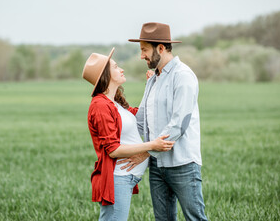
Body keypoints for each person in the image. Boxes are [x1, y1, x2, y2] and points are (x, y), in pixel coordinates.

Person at [119, 22, 208, 220]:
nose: (141, 55)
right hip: (157, 166)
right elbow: (141, 121)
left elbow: (179, 125)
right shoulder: (153, 79)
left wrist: (145, 151)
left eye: (144, 50)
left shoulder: (183, 76)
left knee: (196, 218)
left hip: (183, 164)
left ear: (160, 48)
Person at [82, 47, 175, 221]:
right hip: (118, 177)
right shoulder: (100, 105)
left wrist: (151, 85)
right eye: (116, 67)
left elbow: (142, 117)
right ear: (105, 75)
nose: (121, 69)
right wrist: (151, 146)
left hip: (126, 177)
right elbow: (113, 150)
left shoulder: (114, 103)